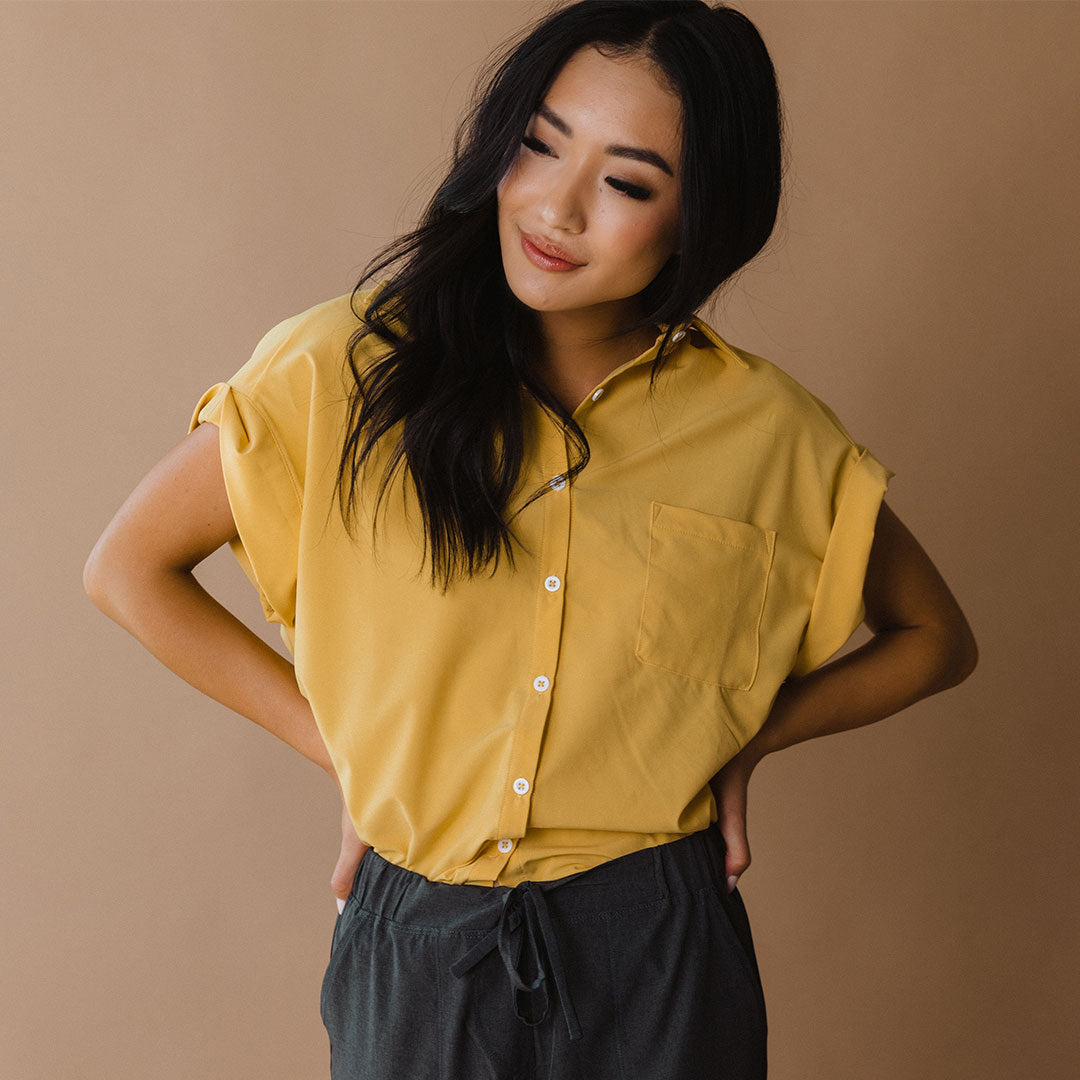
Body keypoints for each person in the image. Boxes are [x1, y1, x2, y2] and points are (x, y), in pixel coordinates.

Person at [83, 2, 978, 1077]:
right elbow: (127, 569)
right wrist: (356, 759)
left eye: (628, 181)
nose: (556, 207)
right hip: (421, 943)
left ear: (701, 217)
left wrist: (754, 736)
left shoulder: (771, 435)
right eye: (539, 145)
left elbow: (935, 635)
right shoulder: (342, 371)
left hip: (656, 938)